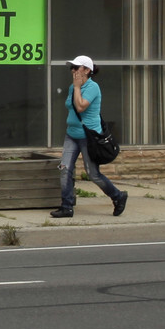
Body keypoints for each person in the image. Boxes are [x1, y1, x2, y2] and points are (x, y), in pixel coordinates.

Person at [55, 55, 126, 218]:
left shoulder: (93, 88)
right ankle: (66, 206)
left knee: (92, 174)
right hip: (71, 134)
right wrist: (75, 87)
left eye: (76, 67)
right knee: (64, 169)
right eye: (71, 68)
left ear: (87, 70)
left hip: (89, 137)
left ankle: (118, 196)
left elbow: (80, 107)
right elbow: (69, 104)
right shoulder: (73, 87)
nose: (73, 71)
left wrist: (77, 88)